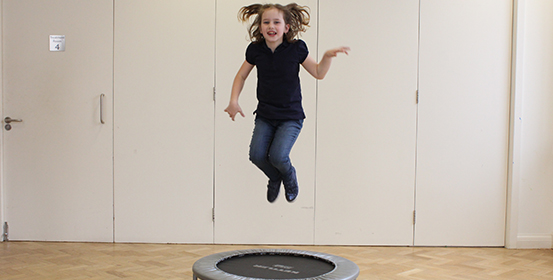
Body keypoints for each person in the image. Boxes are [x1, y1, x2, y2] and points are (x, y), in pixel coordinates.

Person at [224, 3, 350, 203]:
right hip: (265, 116)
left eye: (276, 22)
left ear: (286, 27)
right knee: (256, 156)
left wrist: (326, 57)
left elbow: (318, 73)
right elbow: (241, 76)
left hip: (290, 117)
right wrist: (233, 100)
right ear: (260, 26)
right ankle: (275, 178)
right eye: (266, 22)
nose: (270, 26)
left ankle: (289, 176)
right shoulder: (256, 50)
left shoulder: (296, 49)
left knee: (278, 157)